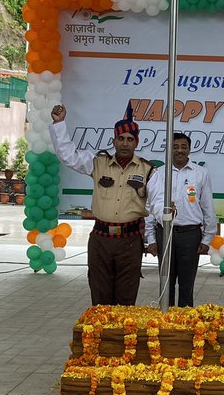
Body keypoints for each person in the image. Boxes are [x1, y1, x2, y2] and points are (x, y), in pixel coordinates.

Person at [50, 103, 153, 306]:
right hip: (101, 240)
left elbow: (157, 203)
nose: (125, 143)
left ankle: (123, 328)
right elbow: (68, 156)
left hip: (130, 241)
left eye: (130, 139)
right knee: (99, 296)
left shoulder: (147, 170)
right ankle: (100, 328)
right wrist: (59, 124)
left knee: (126, 299)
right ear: (114, 141)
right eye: (121, 139)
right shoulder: (97, 163)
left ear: (137, 142)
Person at [145, 132, 216, 307]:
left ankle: (185, 321)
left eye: (184, 147)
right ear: (169, 149)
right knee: (165, 284)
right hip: (164, 233)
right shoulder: (158, 173)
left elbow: (207, 206)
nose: (179, 150)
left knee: (187, 285)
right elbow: (150, 207)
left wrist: (207, 239)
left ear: (189, 150)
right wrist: (151, 239)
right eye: (175, 147)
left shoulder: (201, 173)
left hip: (190, 235)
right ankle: (165, 320)